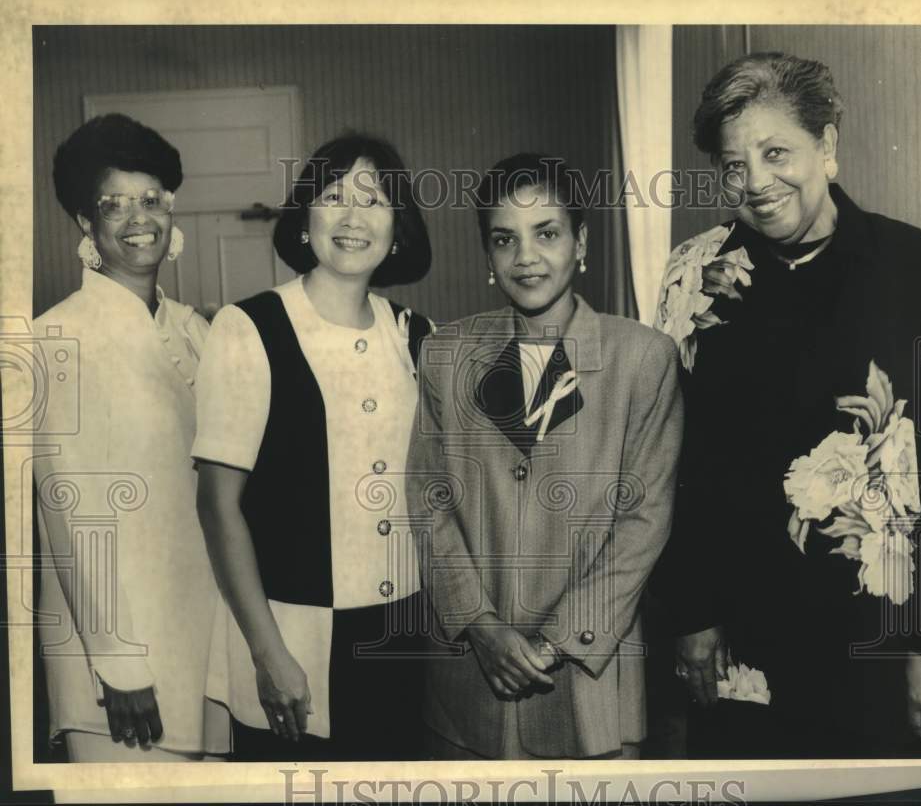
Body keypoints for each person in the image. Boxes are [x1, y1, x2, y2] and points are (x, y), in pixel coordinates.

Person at [652, 52, 921, 758]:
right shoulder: (692, 275)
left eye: (776, 153)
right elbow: (677, 461)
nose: (756, 183)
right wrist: (692, 614)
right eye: (733, 165)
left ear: (827, 146)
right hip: (742, 638)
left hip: (880, 632)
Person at [407, 153, 684, 759]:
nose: (525, 257)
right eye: (504, 239)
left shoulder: (643, 358)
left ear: (580, 242)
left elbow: (644, 521)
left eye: (547, 233)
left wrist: (552, 645)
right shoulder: (445, 353)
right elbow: (428, 498)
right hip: (467, 694)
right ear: (487, 255)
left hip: (588, 684)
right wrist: (479, 626)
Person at [193, 134, 434, 761]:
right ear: (305, 220)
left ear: (398, 226)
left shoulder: (416, 335)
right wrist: (268, 653)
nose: (353, 218)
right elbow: (219, 507)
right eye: (334, 197)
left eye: (374, 200)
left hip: (403, 634)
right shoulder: (248, 327)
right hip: (293, 639)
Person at [33, 113, 229, 761]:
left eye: (152, 200)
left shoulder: (193, 330)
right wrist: (117, 664)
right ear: (86, 224)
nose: (138, 218)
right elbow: (69, 511)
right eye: (114, 205)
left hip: (202, 643)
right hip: (121, 671)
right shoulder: (59, 337)